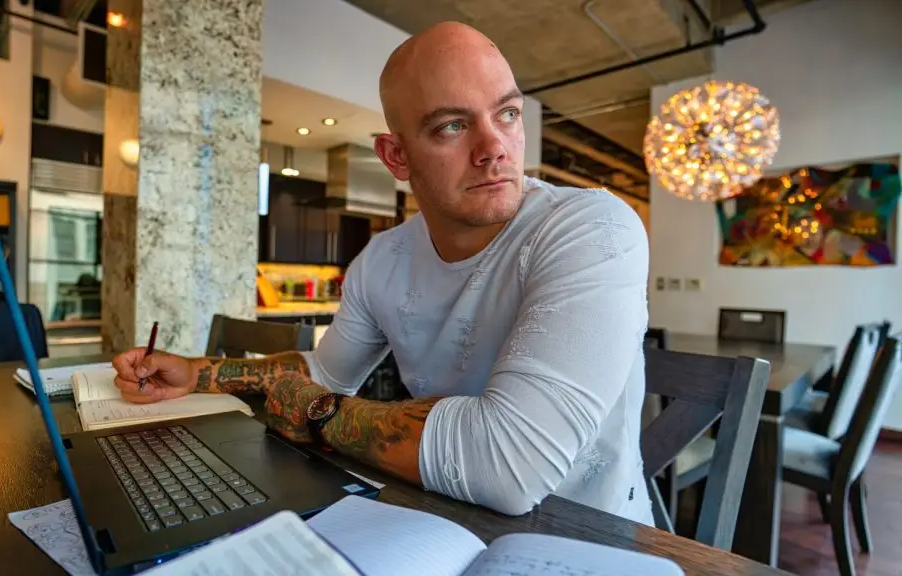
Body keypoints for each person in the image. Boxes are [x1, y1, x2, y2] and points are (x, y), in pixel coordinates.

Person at [112, 21, 652, 523]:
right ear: (396, 158)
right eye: (452, 125)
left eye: (507, 114)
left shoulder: (593, 229)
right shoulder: (382, 259)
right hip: (434, 513)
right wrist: (197, 373)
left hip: (587, 537)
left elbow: (506, 467)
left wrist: (321, 414)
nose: (494, 149)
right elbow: (326, 371)